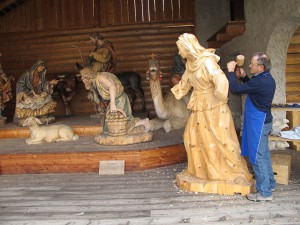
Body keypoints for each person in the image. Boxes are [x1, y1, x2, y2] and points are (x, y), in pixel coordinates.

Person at [171, 33, 252, 184]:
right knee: (191, 137)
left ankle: (226, 171)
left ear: (188, 47)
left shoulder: (206, 61)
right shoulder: (190, 63)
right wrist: (176, 90)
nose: (179, 52)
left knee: (219, 139)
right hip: (199, 106)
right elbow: (184, 82)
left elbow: (219, 77)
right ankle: (202, 171)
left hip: (213, 105)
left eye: (180, 48)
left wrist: (220, 95)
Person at [226, 52, 276, 202]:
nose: (249, 66)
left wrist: (230, 73)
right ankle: (270, 184)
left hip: (259, 123)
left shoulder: (261, 81)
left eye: (252, 64)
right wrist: (243, 77)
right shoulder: (264, 78)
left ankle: (265, 193)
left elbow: (235, 90)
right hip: (263, 122)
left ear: (260, 67)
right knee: (264, 154)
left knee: (257, 157)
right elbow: (252, 87)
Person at [79, 67, 150, 134]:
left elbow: (112, 86)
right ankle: (142, 123)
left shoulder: (100, 77)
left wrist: (112, 103)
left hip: (119, 100)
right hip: (116, 100)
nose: (82, 79)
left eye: (83, 76)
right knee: (109, 120)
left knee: (119, 121)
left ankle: (144, 122)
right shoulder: (95, 82)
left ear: (88, 75)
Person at [14, 60, 58, 124]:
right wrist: (26, 91)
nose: (41, 70)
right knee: (30, 103)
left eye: (42, 69)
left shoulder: (41, 75)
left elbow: (43, 84)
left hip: (37, 92)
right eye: (40, 68)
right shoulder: (27, 74)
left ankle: (42, 114)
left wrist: (50, 82)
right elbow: (20, 83)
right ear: (36, 67)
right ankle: (32, 115)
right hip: (27, 93)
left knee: (49, 98)